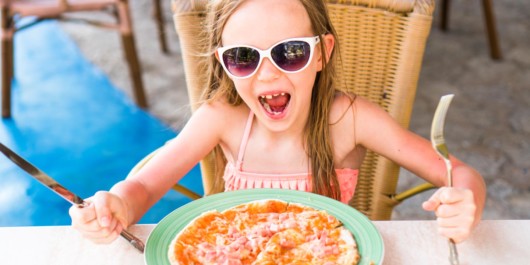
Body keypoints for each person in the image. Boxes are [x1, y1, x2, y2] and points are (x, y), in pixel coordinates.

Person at [70, 0, 486, 245]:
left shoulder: (350, 120)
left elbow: (459, 174)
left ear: (322, 53)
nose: (268, 75)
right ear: (223, 64)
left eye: (289, 53)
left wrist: (465, 202)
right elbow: (143, 186)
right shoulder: (220, 119)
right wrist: (117, 205)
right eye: (244, 57)